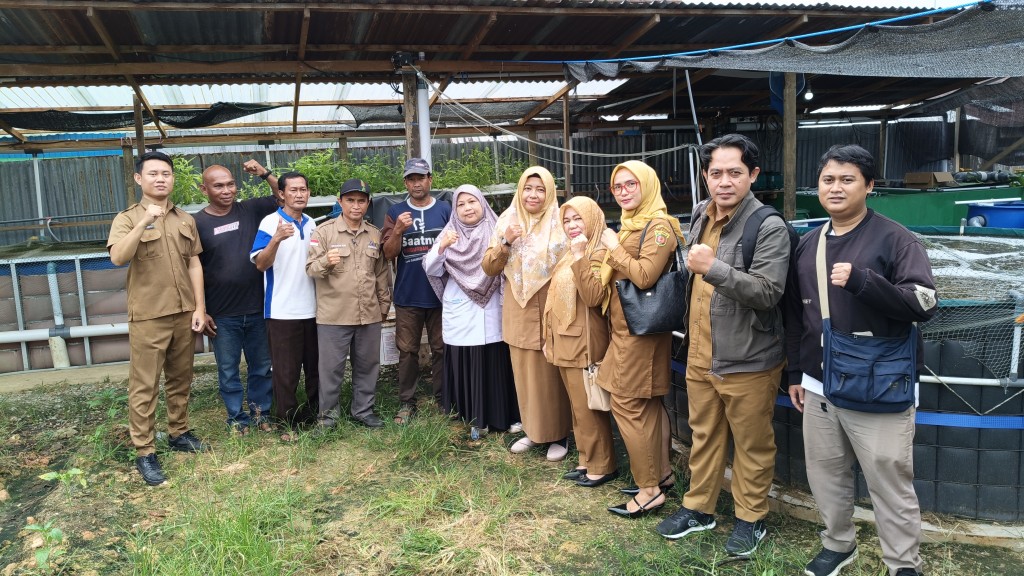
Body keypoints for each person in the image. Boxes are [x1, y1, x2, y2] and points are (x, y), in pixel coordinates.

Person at [786, 145, 936, 576]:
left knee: (889, 479)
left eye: (847, 179)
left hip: (881, 385)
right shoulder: (808, 243)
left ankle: (903, 564)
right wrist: (796, 372)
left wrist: (864, 282)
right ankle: (838, 544)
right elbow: (795, 313)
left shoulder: (895, 239)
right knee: (826, 475)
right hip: (818, 386)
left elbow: (924, 303)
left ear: (869, 186)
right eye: (828, 179)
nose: (836, 188)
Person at [655, 134, 790, 556]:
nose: (725, 181)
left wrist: (714, 268)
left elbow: (769, 292)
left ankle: (752, 518)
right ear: (705, 176)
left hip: (749, 358)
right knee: (704, 435)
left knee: (752, 444)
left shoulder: (767, 226)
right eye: (716, 173)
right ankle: (700, 509)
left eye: (735, 172)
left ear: (752, 175)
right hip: (700, 354)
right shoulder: (700, 214)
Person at [107, 150, 208, 486]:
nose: (160, 178)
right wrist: (143, 223)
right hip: (149, 316)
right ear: (139, 179)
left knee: (181, 379)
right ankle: (145, 451)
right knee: (145, 386)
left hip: (184, 312)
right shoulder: (126, 218)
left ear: (173, 178)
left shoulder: (185, 219)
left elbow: (194, 263)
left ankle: (178, 432)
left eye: (166, 173)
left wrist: (200, 308)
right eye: (153, 174)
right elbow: (118, 258)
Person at [596, 160, 684, 517]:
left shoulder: (658, 225)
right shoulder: (635, 224)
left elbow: (646, 276)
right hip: (628, 328)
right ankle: (660, 475)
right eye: (618, 186)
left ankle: (648, 489)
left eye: (631, 184)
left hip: (639, 333)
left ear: (647, 185)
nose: (624, 191)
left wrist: (613, 248)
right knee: (646, 405)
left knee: (628, 405)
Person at [482, 166, 571, 462]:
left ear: (550, 193)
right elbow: (490, 268)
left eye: (540, 189)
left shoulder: (562, 223)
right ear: (520, 191)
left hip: (552, 305)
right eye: (528, 188)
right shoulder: (507, 221)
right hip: (518, 309)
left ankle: (559, 434)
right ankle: (534, 431)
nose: (533, 195)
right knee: (524, 373)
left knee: (552, 373)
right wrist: (506, 242)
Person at [423, 184, 519, 436]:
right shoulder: (449, 233)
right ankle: (472, 417)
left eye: (472, 202)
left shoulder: (498, 229)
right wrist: (442, 247)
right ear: (455, 210)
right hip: (462, 309)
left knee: (496, 360)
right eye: (461, 204)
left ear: (482, 204)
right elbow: (431, 270)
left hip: (493, 309)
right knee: (469, 360)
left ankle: (504, 416)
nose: (467, 208)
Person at [194, 161, 278, 435]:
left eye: (230, 184)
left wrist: (265, 174)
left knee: (262, 366)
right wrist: (201, 309)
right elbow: (192, 267)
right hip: (222, 313)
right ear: (203, 189)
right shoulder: (197, 222)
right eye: (219, 186)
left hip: (257, 307)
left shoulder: (250, 210)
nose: (227, 190)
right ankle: (236, 418)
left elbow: (282, 195)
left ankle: (260, 413)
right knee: (228, 370)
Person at [306, 178, 392, 429]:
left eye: (361, 201)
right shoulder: (323, 233)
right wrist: (326, 262)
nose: (356, 206)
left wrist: (383, 306)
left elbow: (380, 274)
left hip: (369, 314)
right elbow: (310, 269)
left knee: (368, 366)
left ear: (367, 203)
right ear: (340, 201)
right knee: (331, 370)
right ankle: (328, 416)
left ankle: (363, 411)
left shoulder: (375, 234)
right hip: (334, 315)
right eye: (350, 200)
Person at [543, 196, 617, 486]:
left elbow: (593, 297)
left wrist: (580, 256)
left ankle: (602, 464)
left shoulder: (598, 252)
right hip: (566, 339)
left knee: (589, 406)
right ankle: (587, 459)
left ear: (593, 219)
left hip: (585, 341)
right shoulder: (569, 252)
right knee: (577, 405)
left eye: (578, 218)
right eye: (567, 220)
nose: (572, 225)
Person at [381, 158, 452, 424]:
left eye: (421, 178)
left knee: (442, 347)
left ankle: (444, 397)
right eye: (411, 179)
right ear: (405, 183)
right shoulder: (395, 211)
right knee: (407, 350)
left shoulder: (445, 209)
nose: (416, 183)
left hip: (441, 293)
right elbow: (388, 253)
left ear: (430, 180)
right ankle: (407, 402)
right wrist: (398, 229)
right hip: (408, 294)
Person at [250, 171, 319, 438]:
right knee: (285, 372)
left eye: (303, 189)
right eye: (293, 190)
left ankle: (315, 416)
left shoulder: (313, 223)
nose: (299, 194)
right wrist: (277, 238)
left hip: (314, 309)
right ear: (281, 194)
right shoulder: (270, 222)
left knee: (315, 369)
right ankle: (287, 422)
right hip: (281, 311)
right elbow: (260, 264)